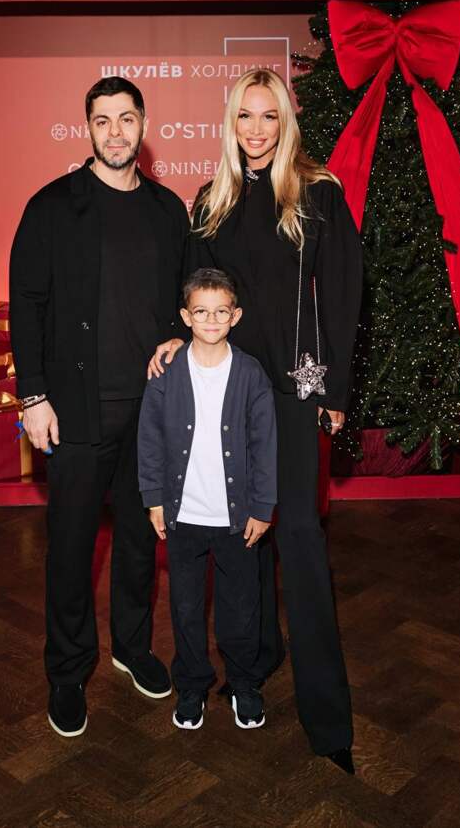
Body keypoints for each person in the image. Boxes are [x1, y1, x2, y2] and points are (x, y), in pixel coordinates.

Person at [149, 69, 362, 773]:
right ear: (231, 122)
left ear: (286, 122)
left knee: (297, 535)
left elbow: (342, 294)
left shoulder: (318, 193)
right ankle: (261, 656)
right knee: (248, 531)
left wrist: (332, 388)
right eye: (246, 115)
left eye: (270, 116)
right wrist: (177, 339)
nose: (257, 129)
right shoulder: (212, 201)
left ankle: (328, 720)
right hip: (232, 394)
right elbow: (196, 291)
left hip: (297, 392)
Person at [10, 76, 190, 737]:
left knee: (142, 540)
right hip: (76, 411)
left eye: (126, 118)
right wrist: (33, 396)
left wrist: (180, 336)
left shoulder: (169, 211)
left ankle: (132, 648)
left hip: (151, 411)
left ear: (144, 124)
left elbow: (187, 297)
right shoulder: (53, 207)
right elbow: (26, 304)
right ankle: (67, 672)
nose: (115, 131)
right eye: (102, 120)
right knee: (71, 548)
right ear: (87, 127)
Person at [138, 267, 277, 730]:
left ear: (235, 315)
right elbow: (149, 439)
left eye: (221, 312)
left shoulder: (251, 374)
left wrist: (262, 507)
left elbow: (265, 446)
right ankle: (192, 684)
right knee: (185, 607)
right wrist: (154, 498)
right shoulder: (166, 371)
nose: (211, 320)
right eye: (201, 312)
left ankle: (243, 683)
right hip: (184, 517)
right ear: (186, 317)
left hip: (236, 520)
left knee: (242, 608)